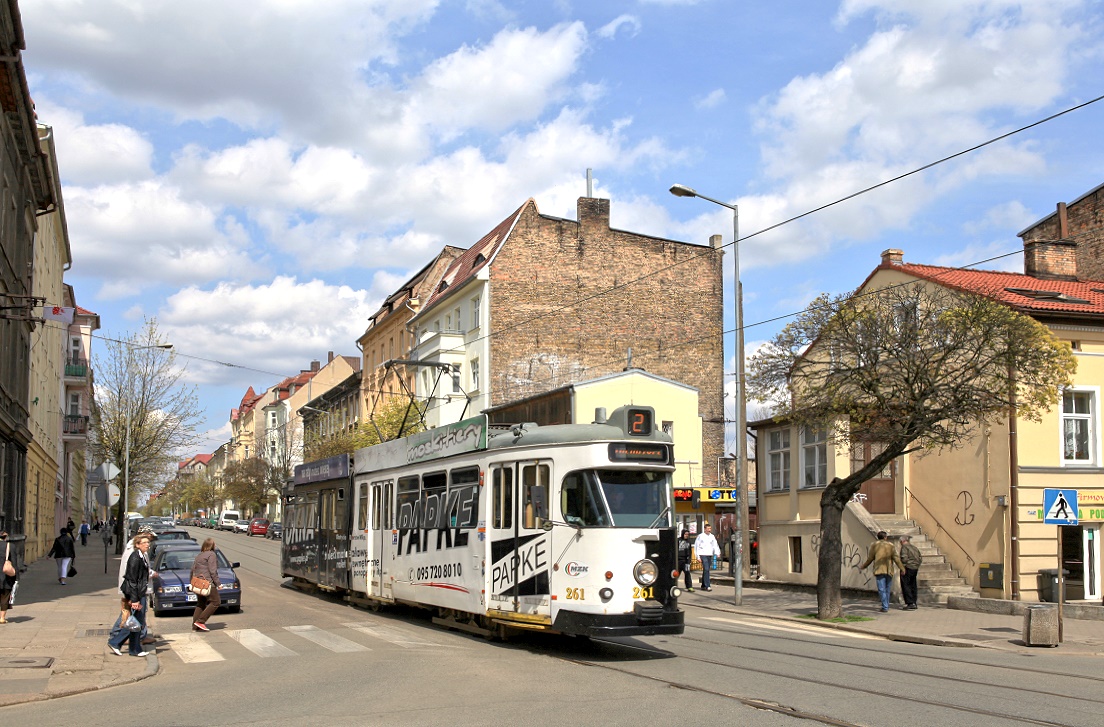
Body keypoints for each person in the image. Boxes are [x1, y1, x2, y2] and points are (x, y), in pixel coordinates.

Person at [108, 533, 152, 657]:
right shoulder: (135, 557)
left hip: (139, 592)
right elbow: (132, 579)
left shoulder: (141, 556)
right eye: (144, 543)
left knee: (137, 621)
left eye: (148, 542)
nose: (147, 545)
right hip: (135, 593)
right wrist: (134, 599)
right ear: (137, 545)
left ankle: (135, 649)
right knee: (135, 621)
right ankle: (115, 642)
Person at [861, 530, 905, 612]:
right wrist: (902, 568)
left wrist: (864, 566)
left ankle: (885, 606)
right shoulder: (891, 545)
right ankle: (886, 605)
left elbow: (870, 558)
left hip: (879, 569)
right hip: (889, 570)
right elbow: (896, 558)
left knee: (881, 589)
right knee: (887, 589)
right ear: (885, 537)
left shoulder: (874, 545)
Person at [190, 537, 222, 632]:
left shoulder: (199, 555)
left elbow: (192, 570)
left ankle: (195, 626)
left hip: (198, 583)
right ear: (212, 546)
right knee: (216, 602)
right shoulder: (211, 554)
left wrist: (192, 582)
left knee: (201, 603)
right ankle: (201, 621)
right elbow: (213, 571)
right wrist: (218, 584)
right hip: (208, 583)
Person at [898, 535, 923, 610]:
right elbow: (920, 558)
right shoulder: (914, 547)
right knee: (913, 585)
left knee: (906, 585)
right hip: (915, 568)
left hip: (908, 567)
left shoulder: (904, 547)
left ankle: (910, 603)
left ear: (902, 541)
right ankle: (914, 602)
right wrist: (917, 565)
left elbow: (904, 558)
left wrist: (903, 568)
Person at [694, 524, 721, 591]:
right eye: (708, 528)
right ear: (705, 529)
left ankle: (703, 585)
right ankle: (707, 585)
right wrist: (698, 556)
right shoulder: (700, 536)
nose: (709, 530)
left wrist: (717, 553)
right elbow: (696, 546)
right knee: (706, 569)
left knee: (706, 570)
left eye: (710, 528)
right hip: (702, 554)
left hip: (709, 554)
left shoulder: (712, 536)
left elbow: (715, 545)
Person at [1, 531, 16, 624]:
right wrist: (16, 577)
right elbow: (14, 562)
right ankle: (2, 618)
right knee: (5, 596)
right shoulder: (9, 546)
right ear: (5, 537)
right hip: (6, 576)